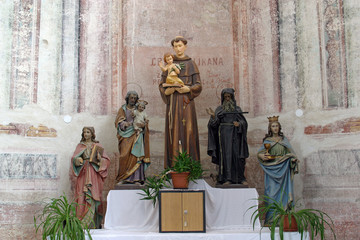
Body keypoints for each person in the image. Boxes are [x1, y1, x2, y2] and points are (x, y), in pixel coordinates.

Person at [159, 36, 202, 168]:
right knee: (173, 132)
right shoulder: (169, 63)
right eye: (175, 46)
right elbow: (162, 84)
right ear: (173, 48)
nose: (178, 49)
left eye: (180, 46)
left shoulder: (191, 63)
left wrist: (188, 88)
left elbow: (198, 85)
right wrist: (168, 91)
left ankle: (190, 169)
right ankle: (174, 168)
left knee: (188, 132)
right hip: (172, 102)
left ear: (185, 46)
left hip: (186, 102)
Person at [257, 116, 299, 223]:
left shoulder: (284, 140)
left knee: (284, 193)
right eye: (273, 126)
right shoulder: (267, 141)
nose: (275, 128)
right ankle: (271, 220)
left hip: (284, 169)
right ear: (270, 128)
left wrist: (292, 160)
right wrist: (262, 156)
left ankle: (283, 220)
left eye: (276, 126)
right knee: (271, 194)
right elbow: (260, 153)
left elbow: (291, 153)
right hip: (271, 170)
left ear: (279, 128)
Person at [206, 88, 249, 185]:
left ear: (232, 97)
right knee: (226, 157)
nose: (227, 99)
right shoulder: (219, 109)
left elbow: (244, 123)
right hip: (224, 137)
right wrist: (213, 116)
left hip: (235, 136)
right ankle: (227, 178)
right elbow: (213, 125)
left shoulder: (237, 109)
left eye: (229, 97)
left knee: (238, 156)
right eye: (225, 97)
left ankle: (240, 178)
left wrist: (239, 124)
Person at [71, 127, 110, 228]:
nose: (86, 134)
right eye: (84, 132)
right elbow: (74, 158)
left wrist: (100, 159)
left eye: (88, 132)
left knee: (94, 194)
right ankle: (82, 223)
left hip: (93, 173)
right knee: (81, 195)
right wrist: (77, 160)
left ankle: (93, 223)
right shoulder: (80, 146)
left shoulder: (97, 145)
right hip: (83, 173)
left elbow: (106, 160)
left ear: (92, 134)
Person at [114, 91, 150, 184]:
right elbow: (118, 121)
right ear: (127, 98)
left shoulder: (140, 109)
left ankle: (137, 178)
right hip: (126, 135)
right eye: (131, 98)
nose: (133, 100)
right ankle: (123, 177)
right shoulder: (123, 109)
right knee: (123, 155)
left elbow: (145, 121)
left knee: (136, 156)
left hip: (137, 134)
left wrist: (143, 125)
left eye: (135, 98)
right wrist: (123, 123)